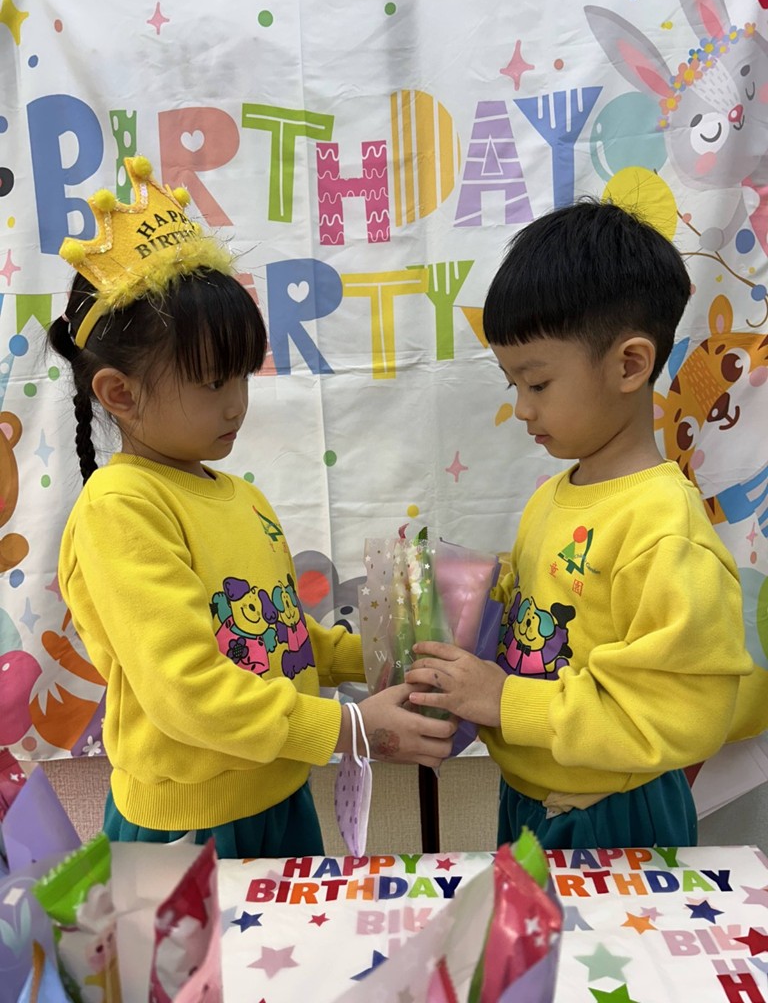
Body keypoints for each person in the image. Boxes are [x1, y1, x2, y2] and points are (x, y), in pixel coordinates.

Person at [50, 155, 455, 859]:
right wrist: (353, 728)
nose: (236, 403)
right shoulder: (120, 509)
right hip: (186, 828)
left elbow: (283, 636)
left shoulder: (242, 497)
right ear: (120, 394)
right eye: (213, 382)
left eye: (241, 376)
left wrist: (387, 658)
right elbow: (189, 693)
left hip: (279, 797)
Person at [406, 199, 762, 849]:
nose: (522, 409)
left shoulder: (663, 527)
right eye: (513, 385)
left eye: (538, 384)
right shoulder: (552, 496)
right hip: (532, 794)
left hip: (613, 812)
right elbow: (538, 631)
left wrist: (504, 701)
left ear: (629, 365)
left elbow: (683, 711)